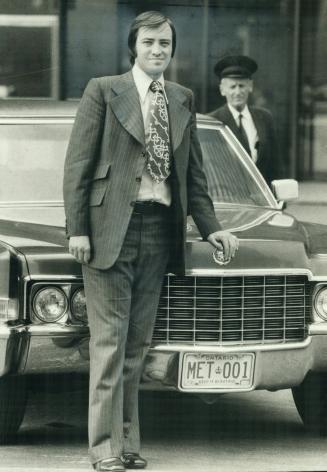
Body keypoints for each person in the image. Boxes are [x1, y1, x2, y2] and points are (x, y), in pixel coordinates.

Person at [63, 11, 239, 472]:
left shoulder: (181, 99)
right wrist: (76, 229)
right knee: (110, 342)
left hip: (161, 232)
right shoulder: (104, 90)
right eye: (149, 42)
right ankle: (104, 449)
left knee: (137, 345)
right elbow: (78, 167)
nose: (158, 50)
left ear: (172, 49)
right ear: (133, 47)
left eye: (165, 43)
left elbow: (193, 177)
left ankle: (127, 444)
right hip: (107, 232)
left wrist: (212, 226)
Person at [209, 55, 282, 183]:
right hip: (230, 199)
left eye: (242, 86)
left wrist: (280, 200)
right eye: (232, 87)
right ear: (222, 90)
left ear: (250, 87)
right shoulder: (212, 121)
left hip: (263, 199)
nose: (238, 92)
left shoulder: (264, 118)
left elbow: (276, 166)